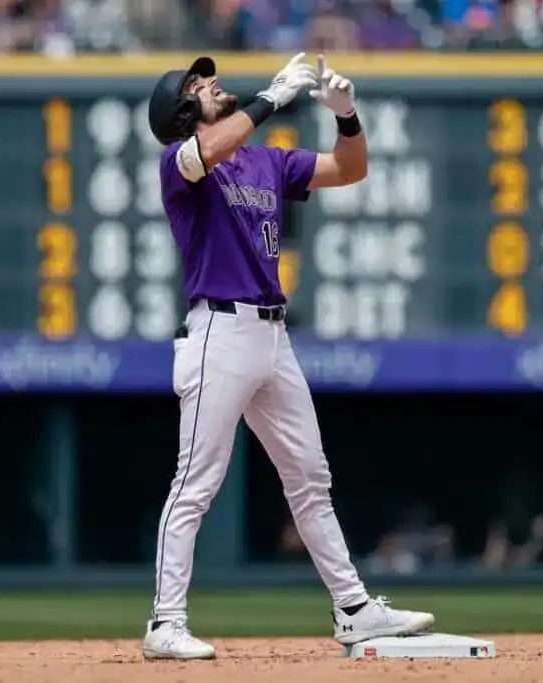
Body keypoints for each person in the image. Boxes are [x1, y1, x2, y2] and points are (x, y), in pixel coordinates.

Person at [142, 52, 435, 660]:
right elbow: (203, 155)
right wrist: (273, 98)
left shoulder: (265, 160)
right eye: (198, 85)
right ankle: (164, 623)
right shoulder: (179, 160)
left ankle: (354, 609)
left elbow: (348, 171)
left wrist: (347, 116)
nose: (212, 83)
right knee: (195, 482)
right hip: (218, 331)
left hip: (271, 334)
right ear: (180, 111)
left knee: (310, 478)